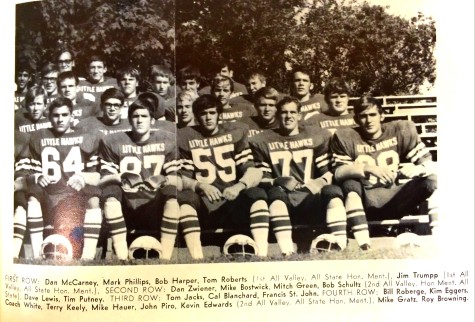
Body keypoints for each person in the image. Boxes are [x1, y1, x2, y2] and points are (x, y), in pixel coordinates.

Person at [330, 96, 438, 249]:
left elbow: (430, 165)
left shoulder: (400, 130)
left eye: (373, 115)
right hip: (365, 199)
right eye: (363, 116)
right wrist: (367, 168)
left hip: (396, 197)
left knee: (433, 180)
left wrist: (417, 169)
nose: (369, 120)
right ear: (356, 119)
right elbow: (338, 172)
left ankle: (440, 237)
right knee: (349, 183)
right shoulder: (346, 136)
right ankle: (364, 245)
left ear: (382, 115)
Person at [249, 96, 347, 253]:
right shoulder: (262, 140)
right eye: (284, 112)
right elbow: (262, 177)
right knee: (274, 193)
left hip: (310, 196)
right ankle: (286, 250)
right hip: (283, 198)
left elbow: (328, 171)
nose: (288, 116)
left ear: (299, 115)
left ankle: (340, 244)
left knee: (333, 191)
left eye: (292, 112)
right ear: (277, 115)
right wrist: (277, 180)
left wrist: (320, 182)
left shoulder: (316, 136)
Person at [177, 94, 269, 257]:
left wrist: (239, 186)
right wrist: (200, 186)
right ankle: (196, 257)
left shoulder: (236, 132)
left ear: (219, 114)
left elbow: (254, 171)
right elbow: (180, 178)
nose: (208, 117)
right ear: (197, 116)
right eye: (203, 114)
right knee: (186, 199)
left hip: (232, 201)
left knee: (258, 195)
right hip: (204, 204)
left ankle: (262, 253)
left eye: (212, 113)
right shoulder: (186, 136)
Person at [16, 97, 103, 259]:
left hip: (75, 198)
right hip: (48, 197)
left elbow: (98, 174)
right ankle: (37, 254)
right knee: (33, 192)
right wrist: (37, 176)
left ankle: (88, 256)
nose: (60, 119)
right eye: (56, 115)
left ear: (72, 116)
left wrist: (83, 177)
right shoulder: (38, 137)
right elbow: (26, 171)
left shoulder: (87, 137)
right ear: (49, 116)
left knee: (93, 195)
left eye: (64, 115)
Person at [99, 96, 180, 260]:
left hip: (154, 204)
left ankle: (166, 258)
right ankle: (122, 257)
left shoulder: (167, 139)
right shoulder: (113, 140)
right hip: (126, 204)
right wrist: (120, 177)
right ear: (129, 120)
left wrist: (161, 180)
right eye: (136, 116)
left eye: (144, 116)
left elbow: (177, 179)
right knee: (111, 192)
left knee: (172, 193)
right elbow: (103, 179)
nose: (140, 120)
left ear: (152, 120)